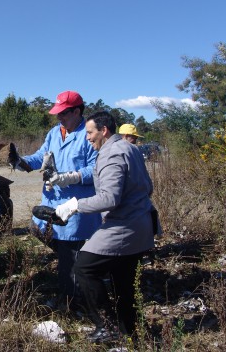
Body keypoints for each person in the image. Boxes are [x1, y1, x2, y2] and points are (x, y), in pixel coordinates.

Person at [55, 111, 155, 343]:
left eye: (90, 133)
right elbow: (148, 187)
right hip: (142, 225)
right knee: (123, 281)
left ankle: (107, 327)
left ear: (104, 131)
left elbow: (109, 199)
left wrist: (74, 206)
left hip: (122, 226)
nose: (88, 138)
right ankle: (130, 333)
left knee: (85, 269)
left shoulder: (111, 153)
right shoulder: (132, 149)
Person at [13, 90, 101, 310]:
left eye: (64, 113)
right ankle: (78, 280)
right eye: (58, 114)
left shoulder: (89, 135)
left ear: (77, 111)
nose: (59, 118)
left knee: (70, 254)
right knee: (40, 231)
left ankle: (73, 302)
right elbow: (40, 156)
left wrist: (68, 177)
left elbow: (96, 169)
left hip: (74, 205)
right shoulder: (54, 132)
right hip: (51, 202)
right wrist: (22, 162)